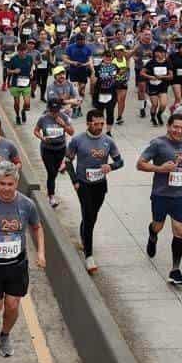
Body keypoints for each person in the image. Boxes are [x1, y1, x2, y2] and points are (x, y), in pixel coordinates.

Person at [0, 161, 45, 358]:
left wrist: (41, 253)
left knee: (12, 305)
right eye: (2, 184)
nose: (5, 188)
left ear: (16, 183)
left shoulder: (27, 205)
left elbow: (37, 228)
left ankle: (5, 335)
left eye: (10, 184)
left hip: (17, 265)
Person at [138, 113, 182, 286]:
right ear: (168, 126)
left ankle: (175, 270)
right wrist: (160, 168)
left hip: (180, 195)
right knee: (158, 225)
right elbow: (140, 164)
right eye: (176, 127)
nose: (179, 131)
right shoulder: (158, 144)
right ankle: (152, 234)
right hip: (161, 194)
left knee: (180, 231)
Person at [65, 109, 124, 274]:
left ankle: (84, 234)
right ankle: (89, 256)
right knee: (89, 215)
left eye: (101, 124)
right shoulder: (77, 140)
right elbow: (68, 161)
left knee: (92, 216)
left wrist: (110, 166)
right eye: (96, 124)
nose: (99, 127)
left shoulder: (108, 141)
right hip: (83, 185)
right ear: (88, 123)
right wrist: (75, 181)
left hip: (100, 184)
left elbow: (120, 161)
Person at [34, 98, 75, 208]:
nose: (54, 113)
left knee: (54, 173)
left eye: (56, 110)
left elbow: (72, 132)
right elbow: (36, 131)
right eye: (52, 111)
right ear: (48, 109)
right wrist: (42, 138)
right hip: (47, 149)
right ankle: (51, 197)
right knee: (51, 173)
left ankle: (51, 188)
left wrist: (64, 126)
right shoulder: (43, 119)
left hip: (60, 149)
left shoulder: (64, 117)